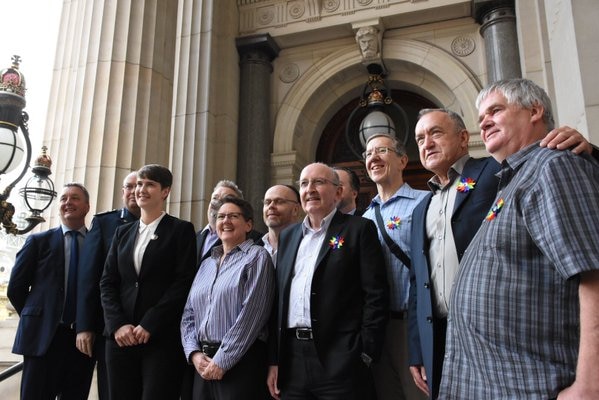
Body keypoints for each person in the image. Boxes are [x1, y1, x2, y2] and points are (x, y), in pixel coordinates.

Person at [408, 108, 596, 399]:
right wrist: (416, 347)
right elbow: (416, 282)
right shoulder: (420, 207)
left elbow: (547, 167)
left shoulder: (494, 171)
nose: (427, 143)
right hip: (437, 331)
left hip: (502, 339)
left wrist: (584, 149)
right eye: (420, 138)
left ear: (462, 138)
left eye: (435, 133)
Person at [267, 162, 388, 400]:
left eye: (318, 182)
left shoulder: (359, 229)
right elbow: (279, 301)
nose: (309, 189)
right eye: (304, 183)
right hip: (292, 361)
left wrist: (364, 352)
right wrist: (274, 359)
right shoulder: (288, 236)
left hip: (341, 359)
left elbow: (376, 294)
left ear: (339, 192)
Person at [100, 164, 196, 400]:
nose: (141, 189)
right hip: (121, 339)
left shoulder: (181, 230)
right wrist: (118, 324)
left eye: (149, 184)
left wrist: (151, 322)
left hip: (160, 338)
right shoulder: (122, 233)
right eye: (139, 184)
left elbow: (183, 282)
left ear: (165, 191)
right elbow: (107, 282)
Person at [181, 196, 275, 399]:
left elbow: (252, 315)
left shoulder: (257, 257)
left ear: (248, 224)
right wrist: (194, 354)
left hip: (241, 363)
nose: (226, 221)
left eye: (233, 216)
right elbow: (189, 315)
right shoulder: (206, 264)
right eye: (221, 216)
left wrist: (222, 360)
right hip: (203, 364)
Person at [8, 183, 95, 399]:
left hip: (82, 341)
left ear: (87, 207)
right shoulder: (38, 241)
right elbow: (16, 288)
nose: (68, 203)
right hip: (43, 337)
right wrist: (38, 317)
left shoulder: (97, 244)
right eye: (63, 198)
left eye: (74, 198)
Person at [360, 134, 428, 400]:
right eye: (368, 154)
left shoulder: (426, 201)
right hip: (377, 328)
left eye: (381, 150)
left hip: (414, 324)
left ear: (402, 160)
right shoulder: (364, 218)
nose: (373, 158)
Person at [77, 171, 140, 400]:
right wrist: (84, 325)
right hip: (109, 327)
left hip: (144, 328)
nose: (134, 191)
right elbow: (89, 277)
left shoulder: (164, 226)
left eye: (139, 185)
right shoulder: (105, 223)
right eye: (129, 186)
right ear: (122, 192)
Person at [196, 180, 262, 266]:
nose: (218, 203)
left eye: (227, 200)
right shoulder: (195, 237)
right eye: (215, 198)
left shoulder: (256, 240)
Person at [261, 184, 301, 265]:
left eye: (279, 202)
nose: (271, 206)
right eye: (267, 202)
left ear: (295, 210)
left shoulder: (306, 244)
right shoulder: (254, 249)